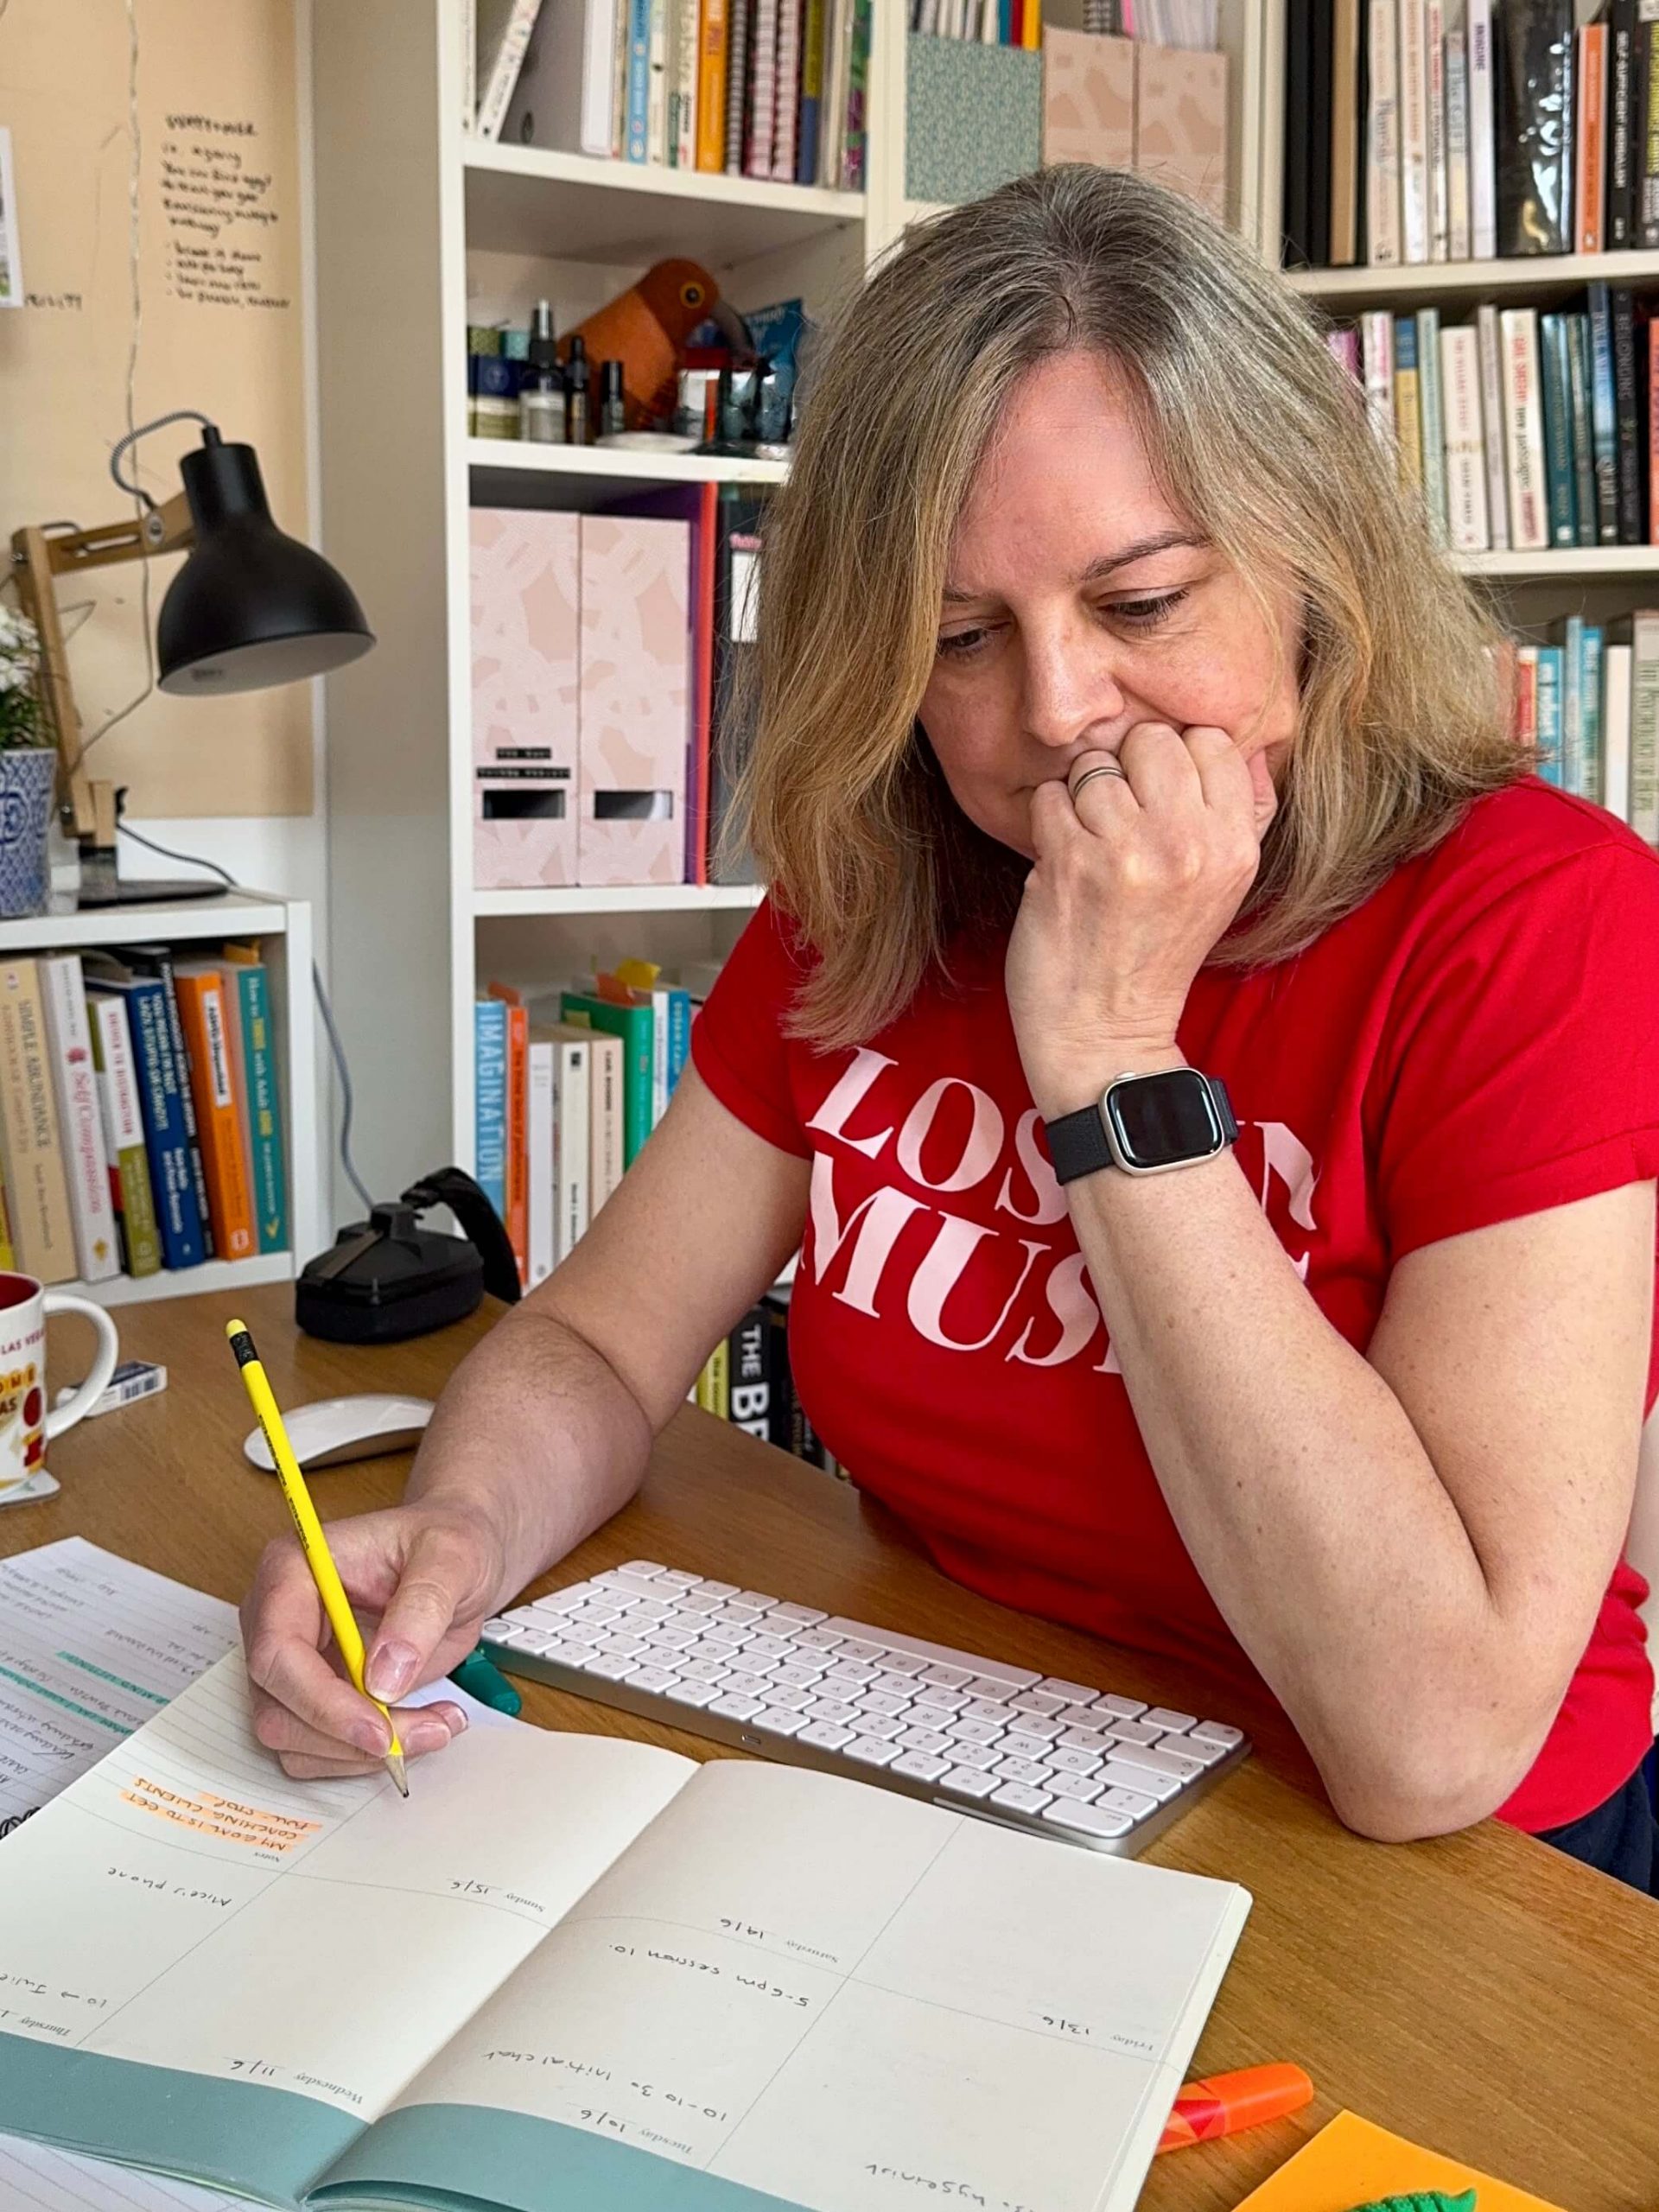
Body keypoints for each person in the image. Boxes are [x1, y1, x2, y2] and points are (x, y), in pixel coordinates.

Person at [242, 166, 1659, 1891]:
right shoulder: (884, 885)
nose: (1056, 713)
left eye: (1140, 605)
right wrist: (460, 1524)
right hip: (982, 1764)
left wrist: (1118, 1061)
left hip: (1452, 1891)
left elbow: (1430, 1740)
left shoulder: (1543, 920)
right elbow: (599, 1345)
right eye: (960, 637)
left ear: (1314, 565)